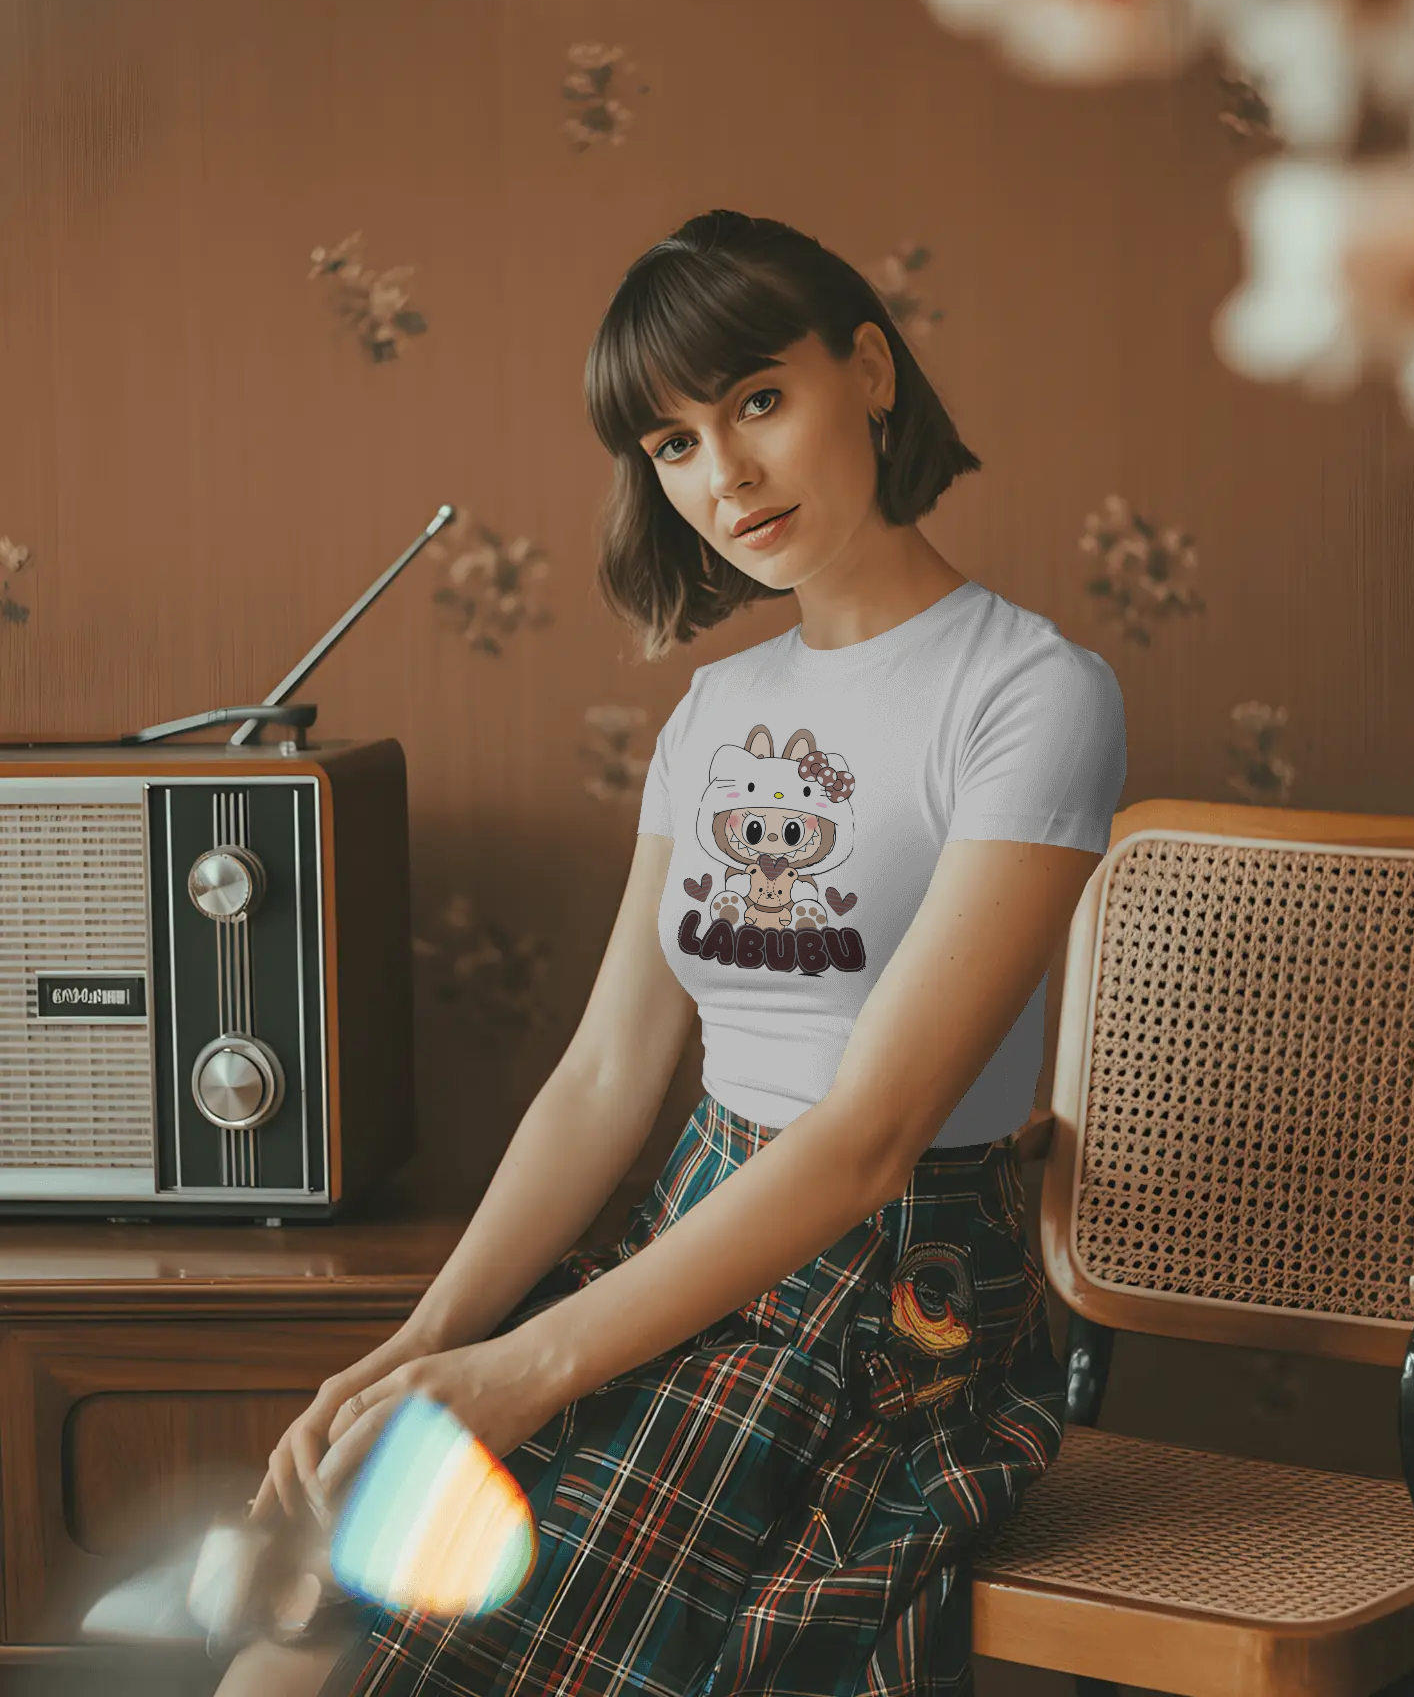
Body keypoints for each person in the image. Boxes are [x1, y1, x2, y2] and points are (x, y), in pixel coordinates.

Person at [216, 209, 1126, 1697]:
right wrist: (424, 1343)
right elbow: (604, 1076)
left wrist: (512, 1377)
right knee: (300, 1624)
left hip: (891, 1300)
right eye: (674, 444)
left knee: (442, 1629)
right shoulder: (712, 713)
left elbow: (869, 1142)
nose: (727, 475)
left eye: (758, 401)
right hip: (678, 1240)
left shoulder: (1029, 691)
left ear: (871, 372)